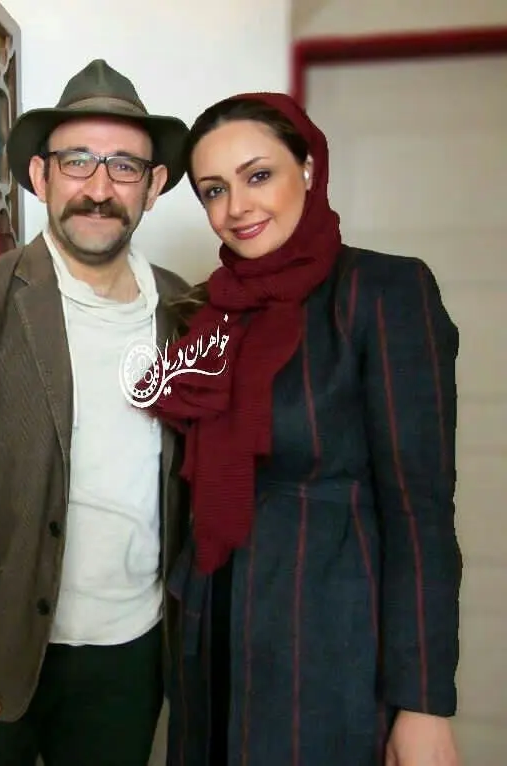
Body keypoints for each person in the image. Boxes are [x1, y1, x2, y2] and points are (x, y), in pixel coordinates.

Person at [137, 93, 462, 765]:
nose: (237, 207)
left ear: (308, 168)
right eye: (214, 191)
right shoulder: (211, 311)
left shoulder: (382, 291)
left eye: (258, 175)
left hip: (328, 646)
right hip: (211, 632)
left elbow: (421, 513)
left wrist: (424, 702)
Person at [0, 59, 191, 766]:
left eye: (123, 167)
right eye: (77, 161)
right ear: (40, 175)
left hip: (131, 656)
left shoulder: (186, 311)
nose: (98, 188)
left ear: (153, 186)